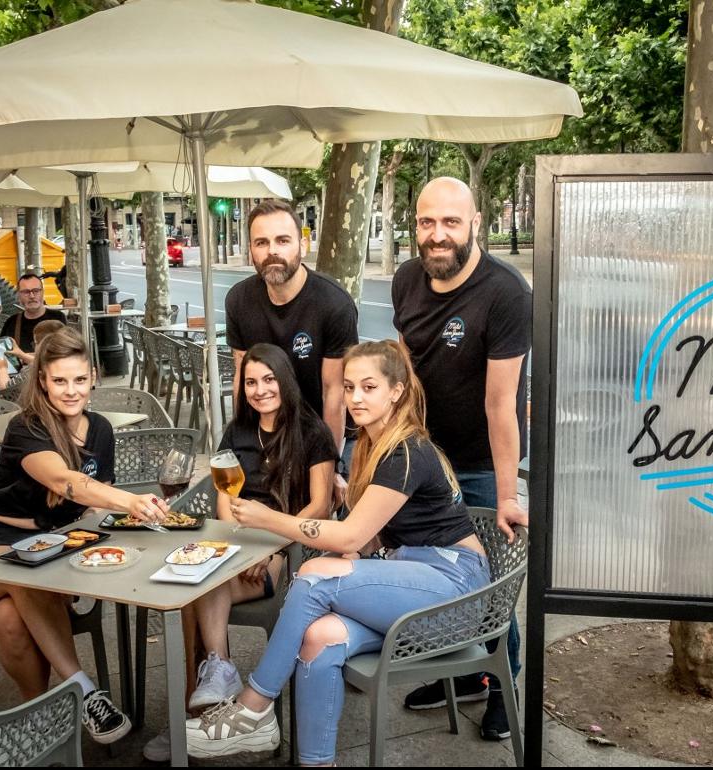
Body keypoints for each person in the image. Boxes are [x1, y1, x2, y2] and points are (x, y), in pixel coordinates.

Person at [184, 340, 491, 765]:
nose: (356, 398)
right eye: (349, 387)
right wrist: (348, 526)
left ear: (396, 391)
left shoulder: (406, 452)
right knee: (318, 637)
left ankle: (254, 706)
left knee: (316, 574)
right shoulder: (370, 447)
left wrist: (268, 519)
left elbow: (349, 539)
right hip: (413, 581)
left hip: (455, 592)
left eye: (369, 387)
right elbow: (367, 541)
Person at [0, 328, 167, 744]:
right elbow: (67, 482)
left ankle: (40, 715)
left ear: (94, 378)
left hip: (53, 549)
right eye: (60, 380)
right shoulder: (26, 427)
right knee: (27, 569)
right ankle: (84, 693)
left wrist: (135, 527)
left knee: (10, 617)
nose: (71, 391)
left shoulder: (100, 429)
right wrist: (130, 501)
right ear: (43, 381)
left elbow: (91, 508)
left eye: (79, 380)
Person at [142, 343, 337, 762]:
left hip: (287, 550)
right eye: (251, 381)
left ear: (284, 380)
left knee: (193, 592)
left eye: (268, 379)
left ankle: (196, 710)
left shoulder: (312, 432)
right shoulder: (237, 432)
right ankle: (212, 693)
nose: (259, 389)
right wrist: (233, 548)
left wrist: (270, 548)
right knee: (185, 591)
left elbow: (319, 507)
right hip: (235, 544)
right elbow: (223, 502)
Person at [390, 177, 532, 740]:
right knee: (434, 570)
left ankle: (505, 681)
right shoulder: (405, 279)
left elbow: (503, 405)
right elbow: (404, 370)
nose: (437, 234)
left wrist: (505, 495)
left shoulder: (506, 293)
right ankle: (467, 674)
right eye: (427, 222)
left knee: (488, 583)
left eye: (451, 222)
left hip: (475, 461)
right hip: (422, 459)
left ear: (476, 224)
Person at [224, 200, 358, 490]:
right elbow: (241, 375)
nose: (272, 251)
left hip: (324, 431)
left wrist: (331, 465)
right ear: (251, 250)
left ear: (303, 244)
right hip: (270, 430)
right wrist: (242, 443)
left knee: (322, 519)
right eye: (261, 242)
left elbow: (334, 392)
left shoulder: (334, 303)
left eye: (282, 240)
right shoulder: (239, 300)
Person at [1, 273, 67, 365]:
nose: (31, 296)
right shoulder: (12, 321)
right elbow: (3, 354)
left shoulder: (58, 318)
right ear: (19, 295)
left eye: (36, 291)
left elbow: (64, 354)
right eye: (26, 292)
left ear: (42, 292)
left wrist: (23, 356)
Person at [0, 319, 65, 391]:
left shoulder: (32, 370)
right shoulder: (68, 363)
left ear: (41, 345)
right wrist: (21, 355)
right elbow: (42, 361)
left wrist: (2, 368)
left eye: (35, 343)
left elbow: (6, 389)